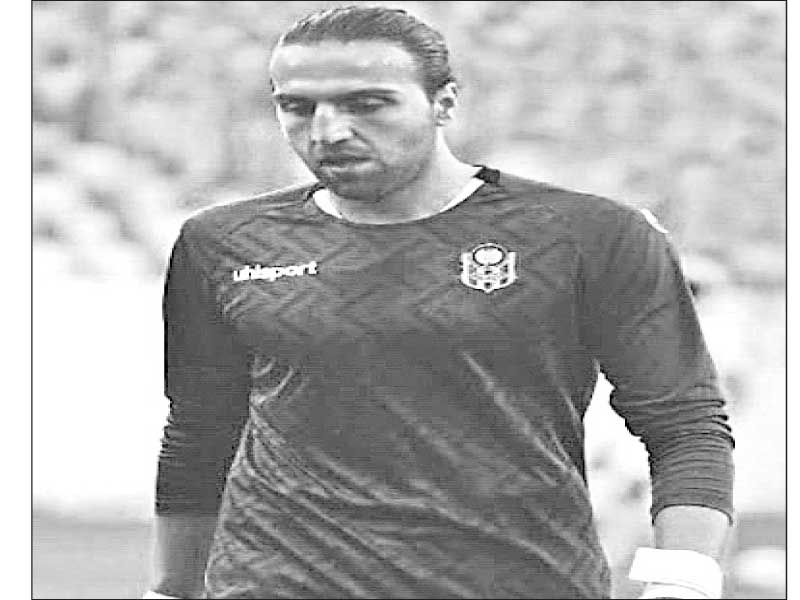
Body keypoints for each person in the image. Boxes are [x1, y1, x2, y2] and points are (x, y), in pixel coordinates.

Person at [147, 5, 734, 599]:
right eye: (297, 107)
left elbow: (684, 423)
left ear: (444, 103)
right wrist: (171, 592)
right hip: (276, 583)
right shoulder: (222, 242)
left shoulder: (588, 234)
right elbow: (201, 429)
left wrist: (682, 583)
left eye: (366, 104)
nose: (327, 131)